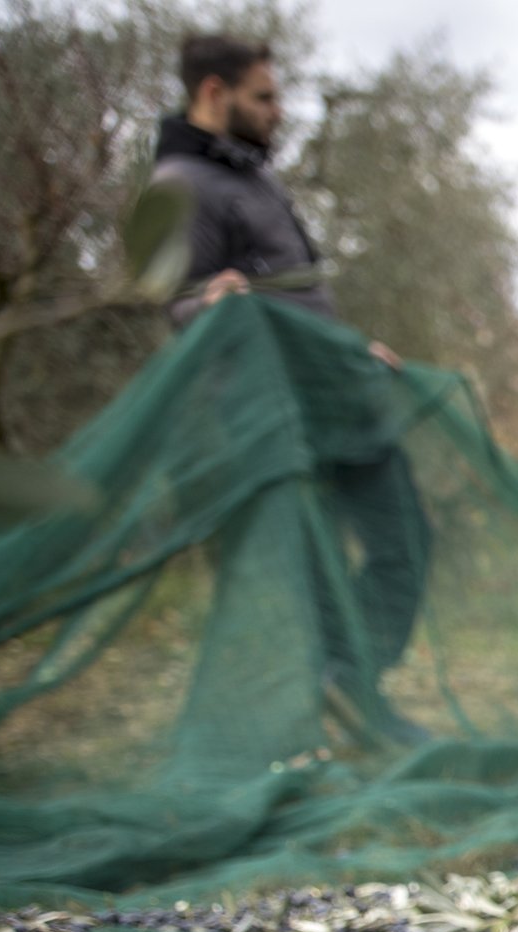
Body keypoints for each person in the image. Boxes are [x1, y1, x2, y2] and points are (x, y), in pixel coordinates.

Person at [153, 34, 432, 746]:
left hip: (339, 392)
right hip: (278, 413)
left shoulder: (256, 178)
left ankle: (348, 679)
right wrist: (204, 302)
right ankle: (347, 706)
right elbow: (176, 306)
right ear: (214, 93)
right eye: (265, 96)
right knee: (320, 572)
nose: (280, 111)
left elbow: (295, 296)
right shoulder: (181, 186)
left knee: (406, 542)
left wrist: (348, 346)